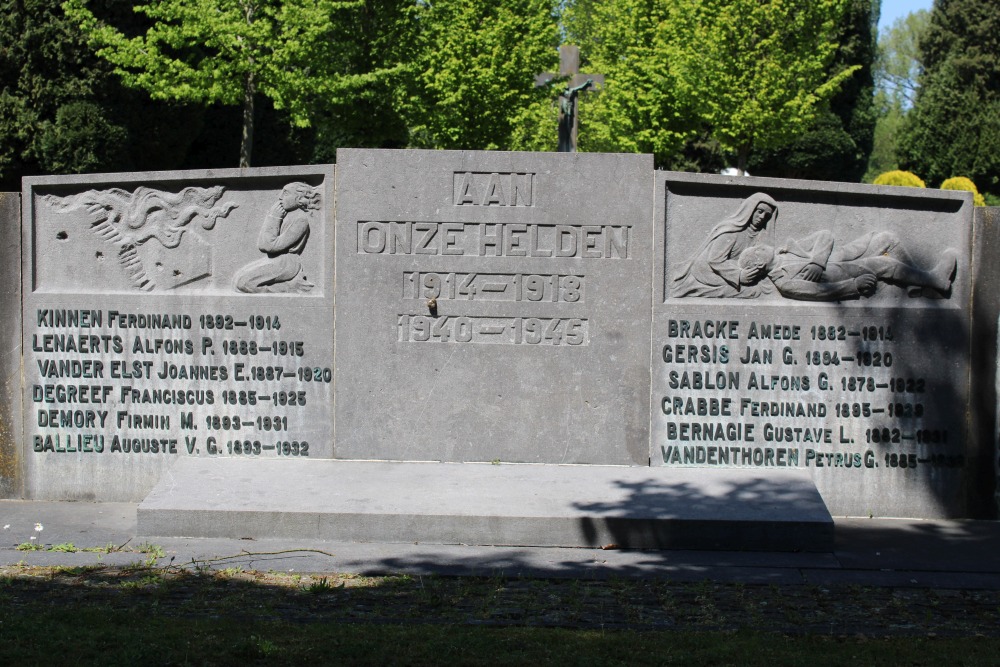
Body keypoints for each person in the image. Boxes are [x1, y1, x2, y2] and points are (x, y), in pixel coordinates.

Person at [738, 230, 958, 301]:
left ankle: (915, 284)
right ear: (758, 263)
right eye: (756, 251)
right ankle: (937, 280)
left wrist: (817, 261)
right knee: (883, 264)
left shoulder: (788, 247)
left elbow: (825, 235)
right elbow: (820, 292)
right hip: (844, 272)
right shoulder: (785, 283)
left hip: (845, 253)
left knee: (886, 238)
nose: (761, 247)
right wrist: (854, 285)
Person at [672, 192, 778, 298]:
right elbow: (714, 260)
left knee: (765, 287)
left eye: (767, 215)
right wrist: (739, 275)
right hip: (708, 272)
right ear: (750, 209)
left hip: (733, 270)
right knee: (753, 292)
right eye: (760, 211)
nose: (762, 217)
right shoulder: (732, 232)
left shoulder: (759, 235)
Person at [234, 182, 320, 293]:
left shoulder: (300, 220)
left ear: (299, 198)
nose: (280, 197)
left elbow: (268, 246)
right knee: (238, 280)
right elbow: (263, 245)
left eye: (286, 193)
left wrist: (273, 217)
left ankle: (290, 288)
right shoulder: (288, 215)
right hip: (275, 260)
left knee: (244, 283)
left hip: (286, 263)